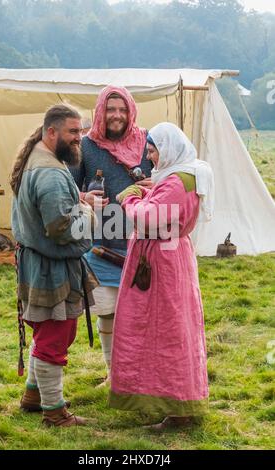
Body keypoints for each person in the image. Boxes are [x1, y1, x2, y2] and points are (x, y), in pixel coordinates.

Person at [109, 122, 214, 429]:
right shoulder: (181, 175)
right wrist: (146, 189)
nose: (150, 157)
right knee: (161, 329)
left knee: (167, 331)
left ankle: (178, 409)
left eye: (153, 150)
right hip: (167, 257)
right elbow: (161, 197)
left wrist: (129, 199)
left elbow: (151, 216)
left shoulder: (177, 183)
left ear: (167, 148)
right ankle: (166, 399)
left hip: (162, 262)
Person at [11, 104, 98, 428]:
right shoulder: (48, 172)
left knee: (48, 331)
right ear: (52, 132)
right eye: (73, 132)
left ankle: (34, 395)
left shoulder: (39, 157)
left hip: (38, 262)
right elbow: (61, 227)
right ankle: (55, 413)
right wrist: (88, 212)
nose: (79, 139)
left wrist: (79, 202)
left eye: (80, 131)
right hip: (50, 266)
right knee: (55, 335)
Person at [72, 86, 153, 386]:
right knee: (107, 311)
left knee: (140, 314)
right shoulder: (87, 146)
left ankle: (139, 374)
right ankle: (114, 374)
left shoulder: (147, 142)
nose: (116, 115)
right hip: (101, 244)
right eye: (111, 109)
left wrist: (156, 183)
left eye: (122, 109)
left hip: (143, 241)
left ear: (130, 111)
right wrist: (84, 198)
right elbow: (69, 187)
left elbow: (172, 176)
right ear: (100, 112)